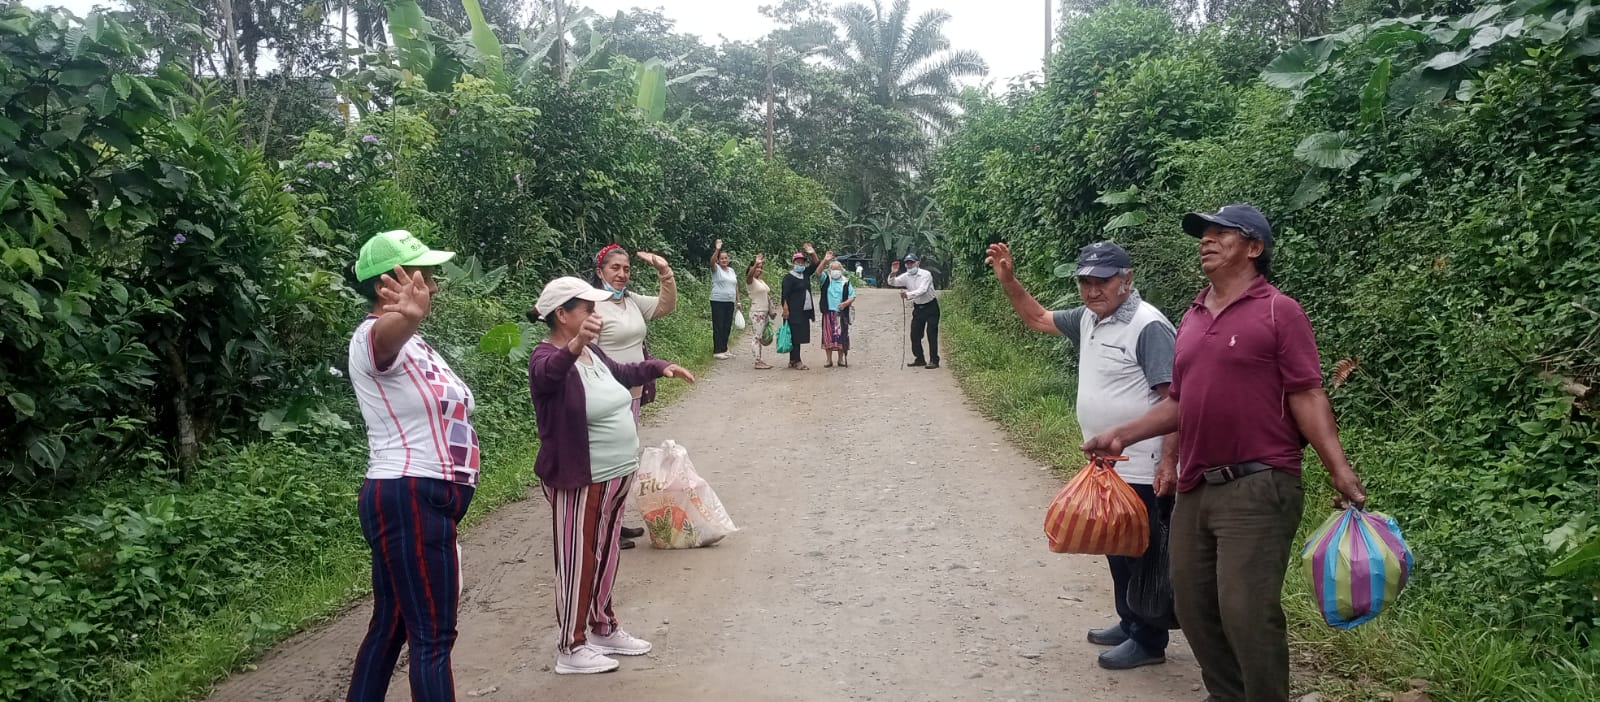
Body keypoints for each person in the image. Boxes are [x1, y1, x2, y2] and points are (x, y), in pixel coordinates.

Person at [1080, 204, 1368, 702]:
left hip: (1259, 481)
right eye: (1204, 234)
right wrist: (1123, 435)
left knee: (1245, 609)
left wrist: (1338, 469)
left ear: (1254, 248)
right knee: (1193, 606)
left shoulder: (1279, 311)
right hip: (1197, 485)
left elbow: (1307, 394)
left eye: (1222, 233)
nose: (1207, 240)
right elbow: (1179, 402)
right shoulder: (1193, 316)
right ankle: (1226, 694)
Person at [985, 240, 1178, 671]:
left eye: (1102, 281)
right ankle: (1129, 621)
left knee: (1143, 553)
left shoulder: (1148, 326)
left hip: (1143, 466)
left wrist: (1169, 463)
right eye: (1085, 282)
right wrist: (1009, 281)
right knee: (1115, 544)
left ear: (1126, 280)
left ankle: (1150, 639)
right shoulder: (1090, 319)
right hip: (1106, 464)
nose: (1092, 291)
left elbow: (1176, 401)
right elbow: (1038, 318)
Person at [527, 276, 696, 675]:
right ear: (562, 314)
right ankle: (570, 646)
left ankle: (602, 626)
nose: (595, 313)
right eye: (587, 308)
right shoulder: (546, 356)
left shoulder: (593, 353)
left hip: (616, 474)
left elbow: (623, 371)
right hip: (579, 479)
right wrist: (575, 344)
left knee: (605, 554)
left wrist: (660, 366)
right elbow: (549, 374)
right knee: (577, 559)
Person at [344, 230, 477, 702]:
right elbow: (383, 341)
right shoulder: (374, 337)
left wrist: (410, 322)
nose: (434, 286)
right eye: (425, 277)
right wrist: (406, 317)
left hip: (420, 499)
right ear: (388, 285)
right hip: (410, 497)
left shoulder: (416, 342)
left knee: (393, 623)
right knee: (433, 636)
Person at [589, 243, 677, 549]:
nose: (621, 274)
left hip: (632, 393)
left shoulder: (631, 301)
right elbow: (587, 353)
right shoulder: (591, 305)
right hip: (605, 397)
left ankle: (614, 520)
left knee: (625, 459)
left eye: (626, 269)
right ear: (600, 271)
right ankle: (601, 527)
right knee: (607, 459)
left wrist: (664, 272)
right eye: (615, 268)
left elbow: (665, 306)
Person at [889, 253, 939, 369]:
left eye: (911, 262)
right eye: (907, 263)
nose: (909, 265)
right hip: (918, 308)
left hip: (931, 306)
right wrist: (893, 273)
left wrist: (908, 294)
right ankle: (919, 359)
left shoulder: (926, 274)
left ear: (917, 263)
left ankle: (934, 360)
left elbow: (923, 290)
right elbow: (892, 282)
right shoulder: (906, 276)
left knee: (931, 334)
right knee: (915, 334)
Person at [780, 244, 825, 370]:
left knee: (799, 335)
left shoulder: (805, 274)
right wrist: (785, 309)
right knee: (795, 335)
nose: (800, 264)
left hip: (803, 311)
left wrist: (812, 252)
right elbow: (784, 294)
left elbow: (816, 264)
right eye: (798, 262)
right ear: (793, 263)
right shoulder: (788, 278)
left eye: (802, 262)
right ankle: (797, 360)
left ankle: (792, 360)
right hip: (793, 311)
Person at [817, 258, 858, 368]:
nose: (835, 271)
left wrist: (845, 303)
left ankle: (840, 359)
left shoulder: (846, 282)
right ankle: (829, 360)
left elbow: (852, 296)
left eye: (837, 269)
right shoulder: (826, 279)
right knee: (827, 335)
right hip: (828, 312)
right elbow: (818, 272)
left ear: (841, 270)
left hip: (841, 313)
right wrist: (825, 260)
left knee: (842, 335)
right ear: (830, 270)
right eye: (833, 269)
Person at [709, 239, 740, 359]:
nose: (724, 260)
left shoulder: (731, 271)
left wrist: (738, 301)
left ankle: (724, 348)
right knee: (719, 325)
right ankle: (717, 351)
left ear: (728, 259)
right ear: (718, 260)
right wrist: (717, 249)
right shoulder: (716, 269)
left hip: (730, 301)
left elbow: (735, 286)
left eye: (726, 258)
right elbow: (711, 261)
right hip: (718, 301)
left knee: (727, 326)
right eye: (721, 258)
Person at [746, 253, 775, 370]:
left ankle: (759, 359)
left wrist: (771, 310)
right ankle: (757, 361)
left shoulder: (760, 281)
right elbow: (749, 275)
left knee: (761, 336)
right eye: (757, 267)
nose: (759, 269)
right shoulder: (751, 281)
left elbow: (767, 295)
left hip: (764, 311)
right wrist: (756, 263)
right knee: (757, 337)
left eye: (760, 267)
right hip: (757, 311)